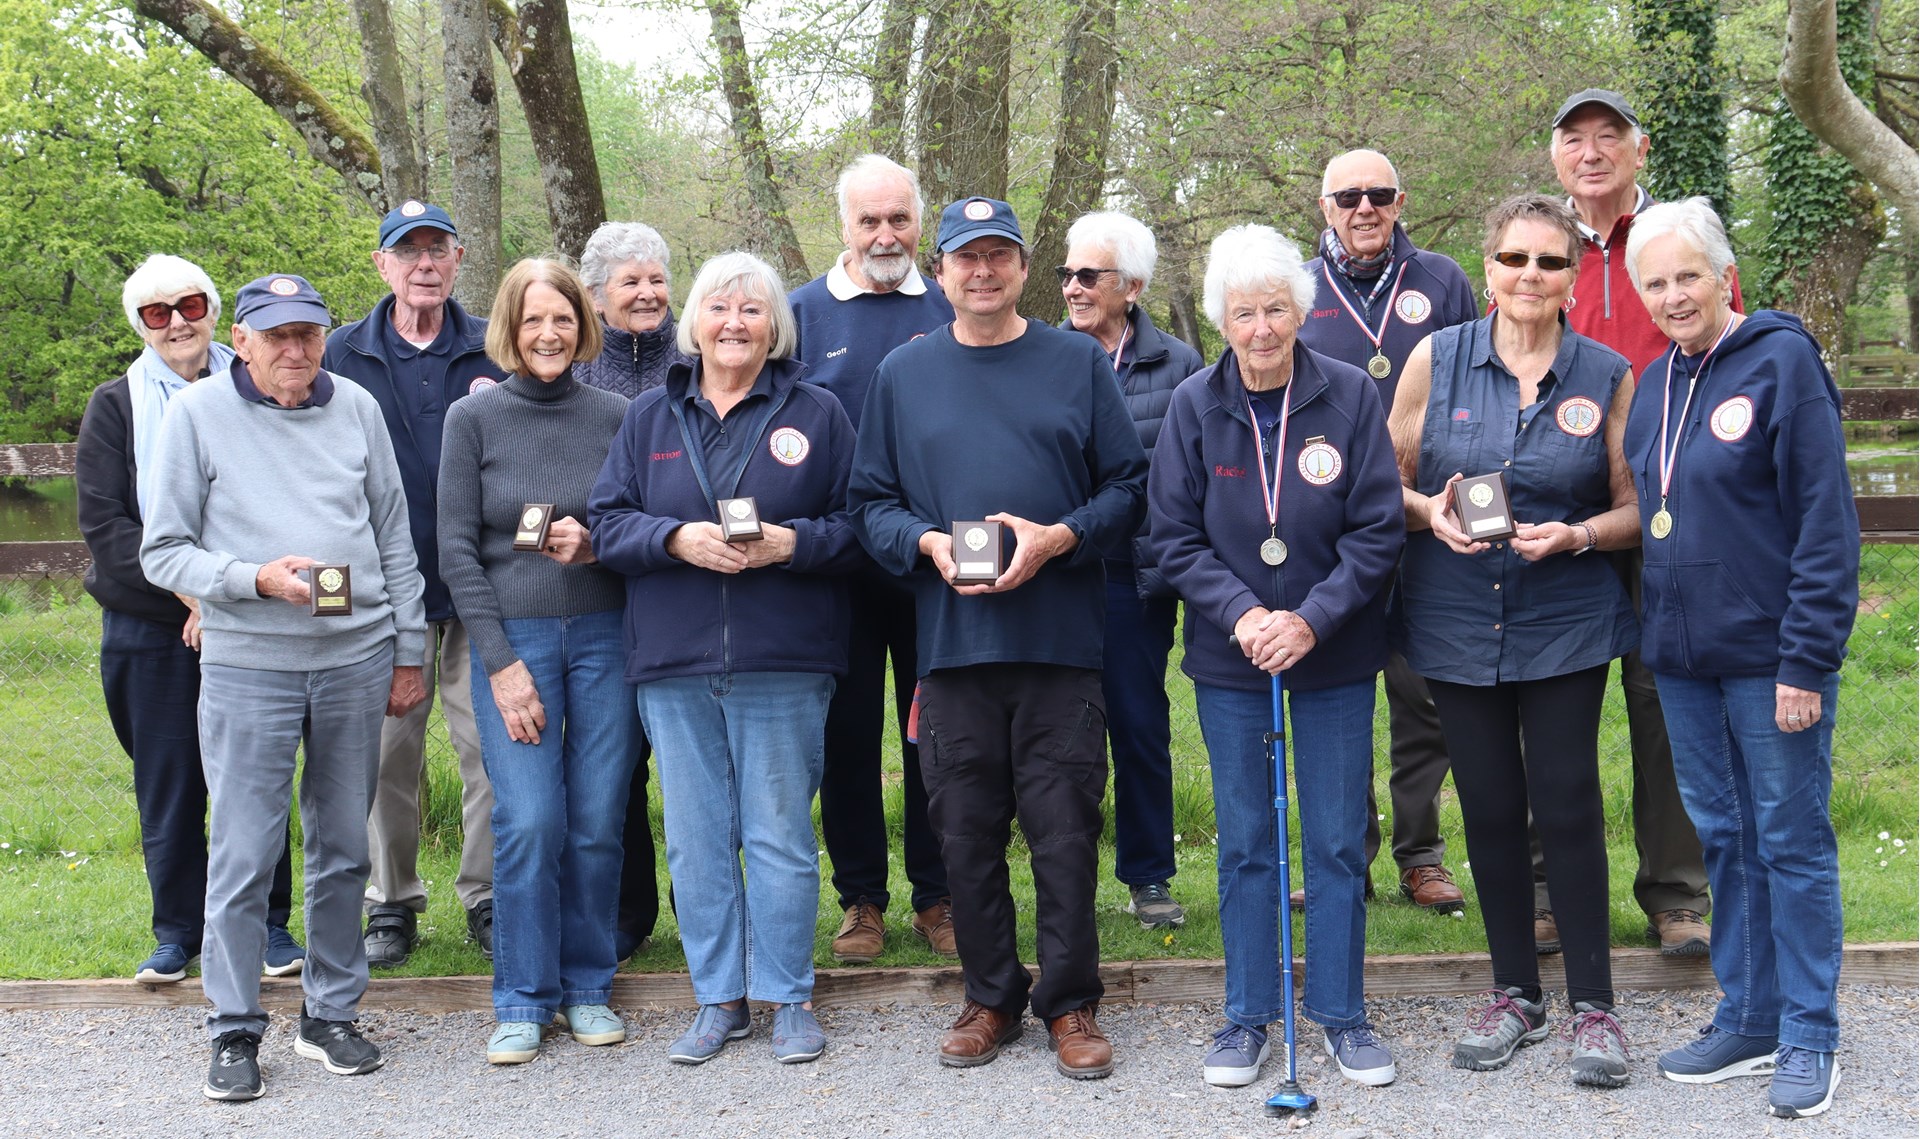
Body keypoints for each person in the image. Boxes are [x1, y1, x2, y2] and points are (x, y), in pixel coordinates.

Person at [848, 197, 1148, 1080]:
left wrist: (1060, 538)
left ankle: (1071, 999)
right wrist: (926, 542)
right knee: (964, 832)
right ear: (938, 272)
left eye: (999, 256)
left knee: (1063, 830)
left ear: (1024, 268)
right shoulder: (905, 375)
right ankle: (990, 994)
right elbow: (870, 503)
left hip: (1060, 644)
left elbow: (1128, 488)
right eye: (965, 258)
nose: (982, 272)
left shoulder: (1074, 363)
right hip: (953, 648)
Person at [141, 273, 427, 1101]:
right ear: (243, 338)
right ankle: (233, 1025)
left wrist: (408, 652)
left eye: (308, 332)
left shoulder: (358, 408)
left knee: (342, 843)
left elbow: (395, 539)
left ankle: (330, 1012)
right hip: (247, 663)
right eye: (277, 335)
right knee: (243, 848)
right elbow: (163, 552)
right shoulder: (196, 417)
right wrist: (252, 578)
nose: (296, 349)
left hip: (354, 656)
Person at [1387, 195, 1638, 1088]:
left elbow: (1633, 506)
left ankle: (1597, 1008)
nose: (1530, 276)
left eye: (1549, 261)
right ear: (1486, 266)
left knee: (1566, 802)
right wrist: (1431, 513)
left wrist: (1576, 536)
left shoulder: (1606, 373)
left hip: (1565, 618)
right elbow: (1390, 476)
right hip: (1454, 614)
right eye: (1513, 259)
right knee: (1489, 806)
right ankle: (1515, 993)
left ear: (1573, 273)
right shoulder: (1435, 357)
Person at [591, 251, 863, 1066]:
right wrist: (673, 536)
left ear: (774, 324)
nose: (734, 323)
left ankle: (787, 995)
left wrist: (791, 542)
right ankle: (718, 998)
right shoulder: (647, 417)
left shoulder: (817, 413)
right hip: (673, 661)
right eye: (719, 308)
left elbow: (860, 529)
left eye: (752, 309)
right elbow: (607, 523)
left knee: (778, 833)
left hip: (783, 657)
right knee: (697, 838)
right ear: (695, 323)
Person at [1151, 223, 1405, 1089]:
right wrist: (1246, 616)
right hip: (1233, 658)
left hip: (1330, 655)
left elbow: (1376, 531)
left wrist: (1312, 618)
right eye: (1244, 311)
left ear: (1301, 310)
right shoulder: (1194, 404)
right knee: (1248, 842)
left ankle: (1342, 1012)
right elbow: (1173, 540)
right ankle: (1247, 1015)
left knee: (1335, 841)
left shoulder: (1348, 396)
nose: (1262, 327)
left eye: (1277, 309)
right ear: (1221, 317)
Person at [1623, 198, 1858, 1119]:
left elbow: (1826, 529)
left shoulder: (1782, 362)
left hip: (1773, 660)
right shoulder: (1657, 381)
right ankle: (1751, 1013)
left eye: (1689, 276)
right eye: (1657, 283)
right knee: (1724, 837)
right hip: (1683, 660)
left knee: (1791, 840)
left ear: (1725, 276)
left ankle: (1809, 1031)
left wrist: (1806, 660)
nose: (1674, 296)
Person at [77, 256, 306, 985]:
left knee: (257, 774)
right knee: (171, 780)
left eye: (189, 304)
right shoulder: (115, 407)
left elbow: (282, 497)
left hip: (255, 610)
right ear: (140, 326)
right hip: (151, 622)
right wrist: (193, 597)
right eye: (156, 312)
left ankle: (271, 929)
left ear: (214, 310)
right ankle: (177, 931)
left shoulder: (262, 388)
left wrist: (234, 594)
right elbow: (107, 527)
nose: (177, 321)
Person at [434, 259, 636, 1064]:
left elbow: (637, 529)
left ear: (583, 326)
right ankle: (521, 996)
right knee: (530, 820)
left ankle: (587, 987)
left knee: (594, 823)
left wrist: (596, 546)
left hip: (604, 641)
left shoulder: (619, 415)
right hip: (512, 644)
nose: (547, 334)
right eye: (531, 321)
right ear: (509, 330)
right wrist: (499, 660)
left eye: (561, 319)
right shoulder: (471, 419)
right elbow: (454, 548)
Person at [1546, 88, 1716, 957]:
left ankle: (1678, 893)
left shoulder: (1675, 235)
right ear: (1555, 160)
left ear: (1639, 150)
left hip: (1668, 501)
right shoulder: (1539, 241)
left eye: (1609, 136)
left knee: (1664, 696)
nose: (1592, 152)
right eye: (1574, 139)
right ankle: (1545, 887)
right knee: (1550, 701)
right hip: (1566, 508)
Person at [323, 200, 507, 966]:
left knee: (488, 751)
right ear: (383, 265)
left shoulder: (492, 349)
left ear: (459, 260)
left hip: (478, 587)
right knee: (384, 754)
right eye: (410, 252)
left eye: (438, 249)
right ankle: (390, 900)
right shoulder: (340, 353)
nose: (424, 264)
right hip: (380, 592)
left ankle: (488, 895)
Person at [1297, 148, 1479, 915]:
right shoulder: (1296, 289)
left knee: (1422, 696)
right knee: (1337, 694)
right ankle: (1346, 856)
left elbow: (1480, 378)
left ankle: (1421, 854)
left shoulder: (1442, 280)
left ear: (1401, 200)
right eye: (1348, 196)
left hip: (1428, 520)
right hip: (1328, 526)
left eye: (1378, 194)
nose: (1364, 207)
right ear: (1324, 206)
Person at [789, 154, 957, 963]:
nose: (885, 234)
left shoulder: (956, 301)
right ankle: (860, 898)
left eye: (899, 218)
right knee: (846, 739)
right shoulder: (800, 317)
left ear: (919, 223)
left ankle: (939, 893)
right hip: (838, 572)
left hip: (934, 571)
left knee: (936, 737)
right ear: (844, 225)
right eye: (869, 220)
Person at [1057, 209, 1203, 930]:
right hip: (1057, 572)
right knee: (1060, 734)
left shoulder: (1179, 366)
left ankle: (1149, 876)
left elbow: (1195, 474)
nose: (1073, 288)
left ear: (1133, 286)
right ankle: (1066, 875)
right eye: (1066, 275)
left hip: (1135, 578)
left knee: (1139, 725)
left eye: (1089, 275)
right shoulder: (1045, 355)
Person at [575, 220, 690, 962]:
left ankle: (702, 907)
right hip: (600, 598)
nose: (647, 294)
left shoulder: (701, 353)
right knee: (613, 766)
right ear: (596, 296)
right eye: (630, 282)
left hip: (687, 592)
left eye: (656, 280)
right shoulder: (577, 368)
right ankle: (626, 912)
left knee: (692, 767)